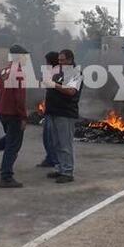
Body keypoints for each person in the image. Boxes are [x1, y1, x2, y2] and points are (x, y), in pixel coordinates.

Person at [0, 44, 30, 188]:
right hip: (14, 114)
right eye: (24, 56)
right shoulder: (18, 72)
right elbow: (19, 98)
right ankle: (6, 177)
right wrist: (23, 117)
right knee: (13, 146)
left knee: (11, 138)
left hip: (3, 112)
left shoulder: (3, 70)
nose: (26, 59)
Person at [44, 49, 83, 184]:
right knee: (56, 143)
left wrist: (54, 85)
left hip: (66, 113)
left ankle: (67, 172)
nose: (59, 62)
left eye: (62, 60)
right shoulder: (58, 72)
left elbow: (71, 91)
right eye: (59, 60)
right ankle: (60, 168)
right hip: (53, 112)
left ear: (70, 60)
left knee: (65, 144)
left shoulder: (75, 73)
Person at [37, 51, 60, 168]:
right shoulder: (51, 72)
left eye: (47, 62)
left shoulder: (59, 74)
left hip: (56, 110)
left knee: (52, 138)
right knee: (47, 137)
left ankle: (55, 161)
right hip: (49, 109)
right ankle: (50, 158)